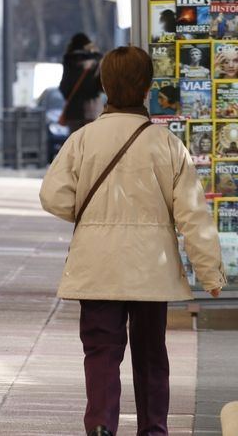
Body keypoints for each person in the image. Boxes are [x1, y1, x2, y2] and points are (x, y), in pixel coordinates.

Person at [39, 45, 226, 436]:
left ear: (105, 85)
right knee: (151, 356)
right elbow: (192, 214)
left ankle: (102, 423)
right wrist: (210, 272)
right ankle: (153, 429)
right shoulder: (167, 144)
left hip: (98, 266)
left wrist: (90, 218)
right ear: (147, 88)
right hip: (150, 270)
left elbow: (53, 196)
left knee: (101, 351)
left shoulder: (83, 139)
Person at [58, 33, 104, 133]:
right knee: (92, 143)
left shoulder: (69, 61)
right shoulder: (96, 60)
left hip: (74, 112)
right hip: (92, 109)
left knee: (76, 143)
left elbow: (64, 87)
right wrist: (95, 51)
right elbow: (101, 85)